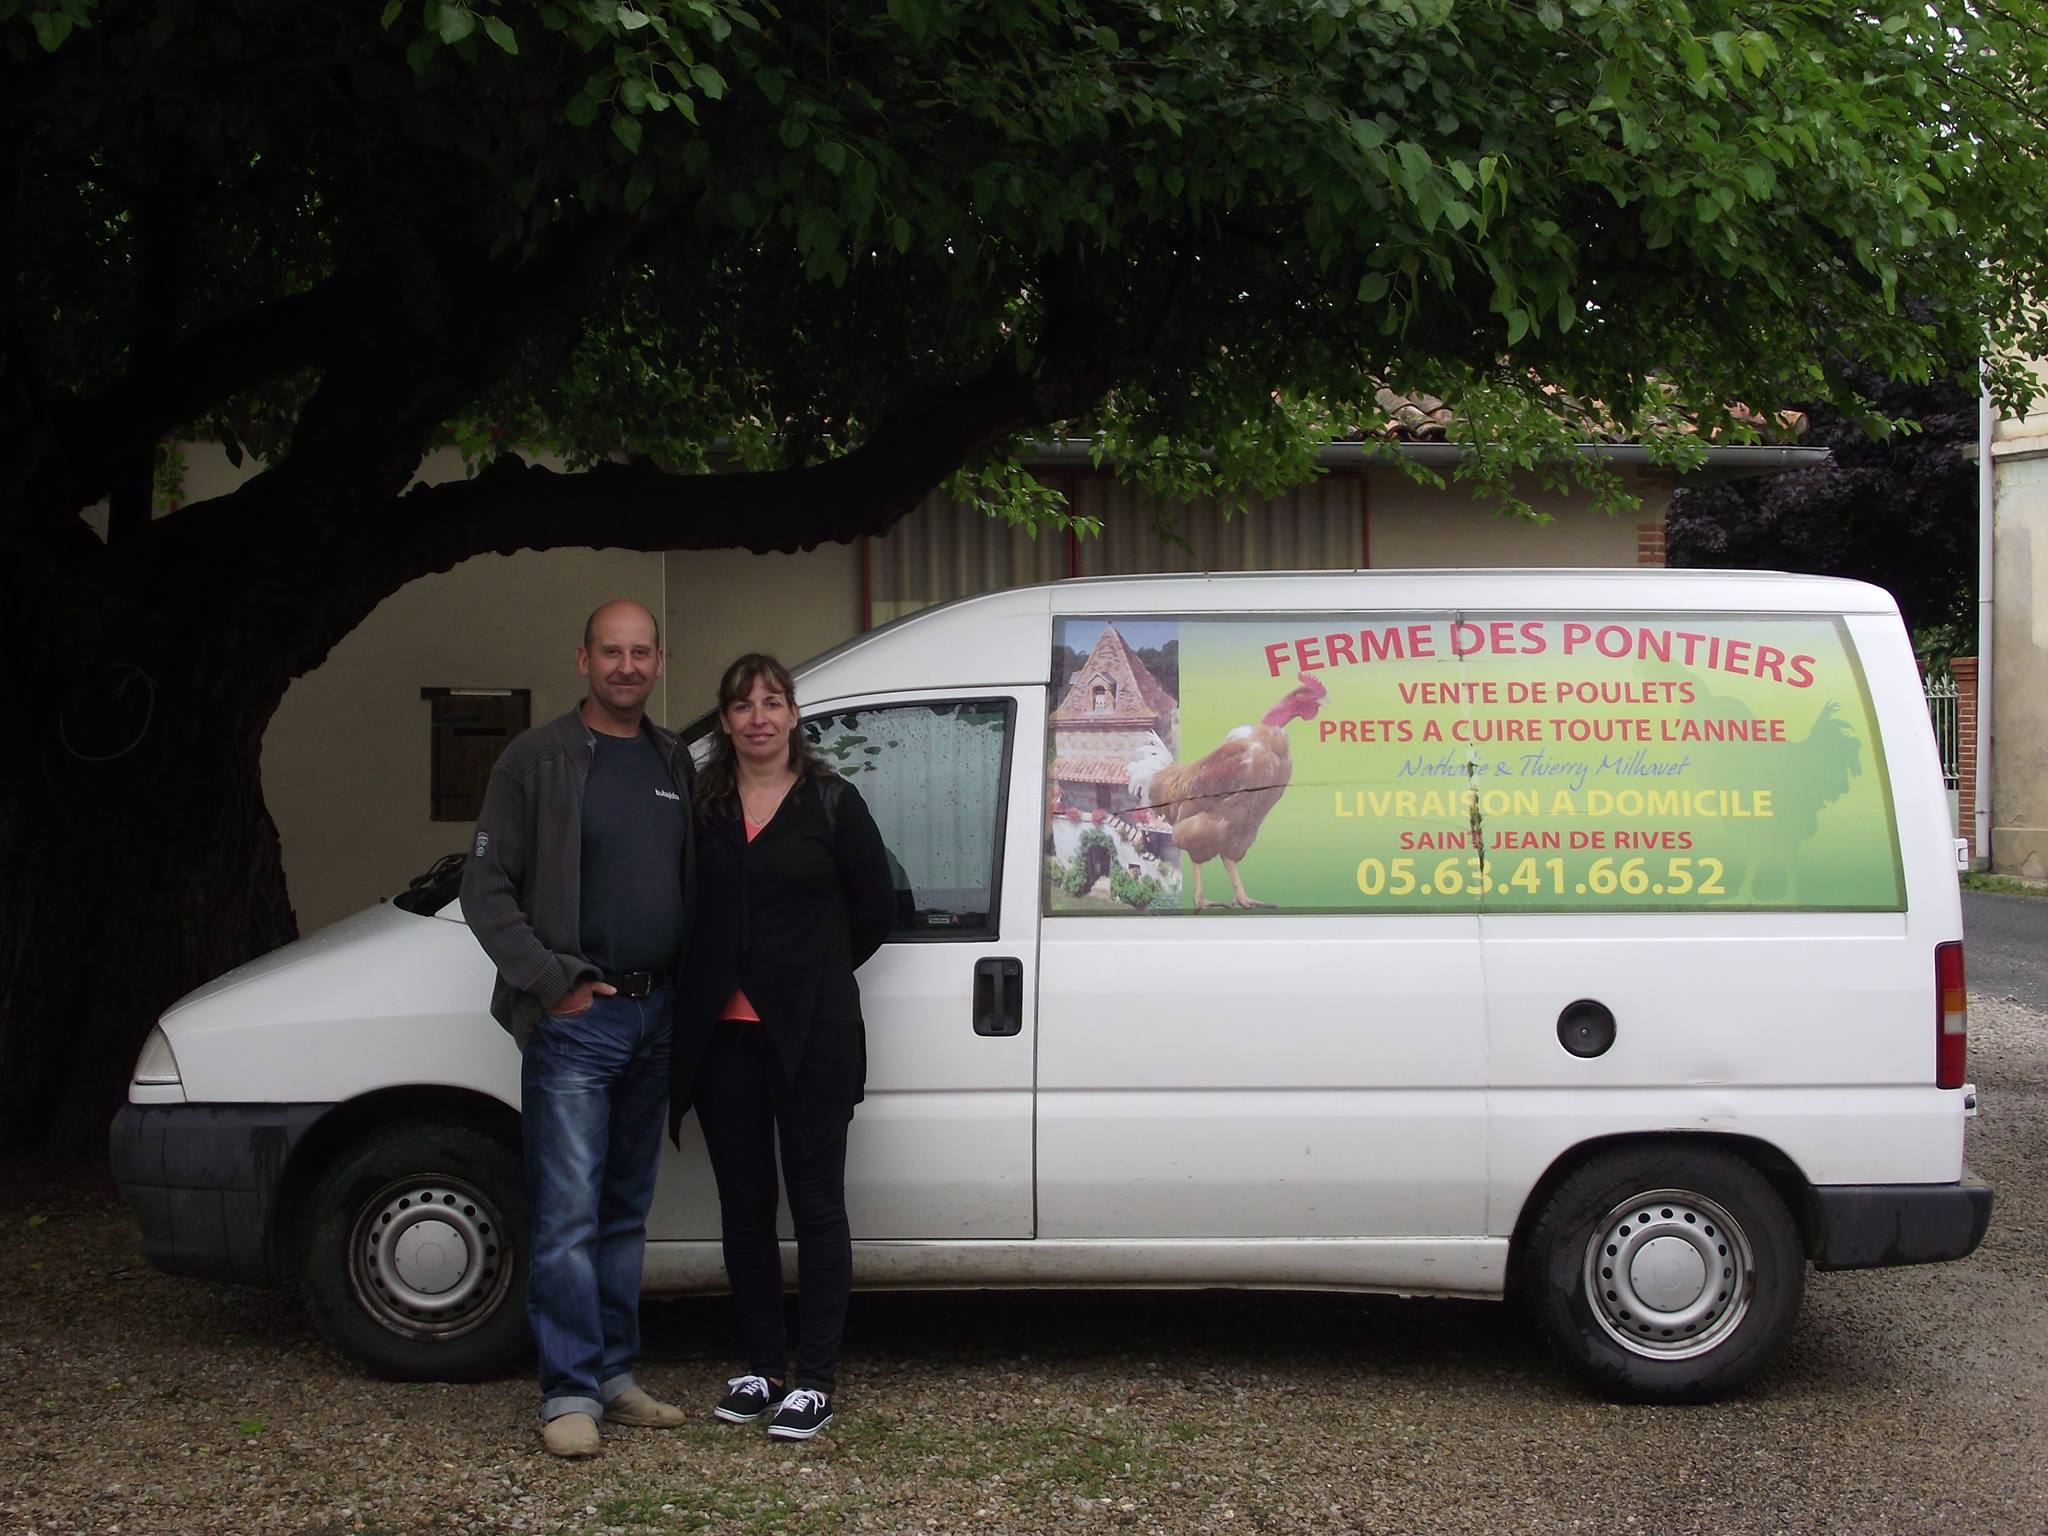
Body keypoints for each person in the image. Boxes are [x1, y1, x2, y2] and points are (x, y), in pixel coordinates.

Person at [459, 599, 697, 1458]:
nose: (627, 667)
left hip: (656, 1016)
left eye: (641, 653)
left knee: (625, 1212)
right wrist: (553, 983)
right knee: (567, 1215)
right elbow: (485, 888)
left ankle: (614, 1377)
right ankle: (567, 1392)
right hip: (580, 1024)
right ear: (583, 660)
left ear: (658, 663)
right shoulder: (537, 759)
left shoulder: (673, 759)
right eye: (612, 652)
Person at [672, 653, 896, 1442]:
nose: (758, 717)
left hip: (812, 1039)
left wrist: (809, 975)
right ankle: (763, 1368)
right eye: (743, 706)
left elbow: (875, 910)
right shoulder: (702, 808)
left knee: (818, 1205)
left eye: (772, 702)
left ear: (794, 715)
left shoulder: (833, 803)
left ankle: (816, 1380)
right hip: (723, 1042)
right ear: (725, 722)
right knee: (744, 1207)